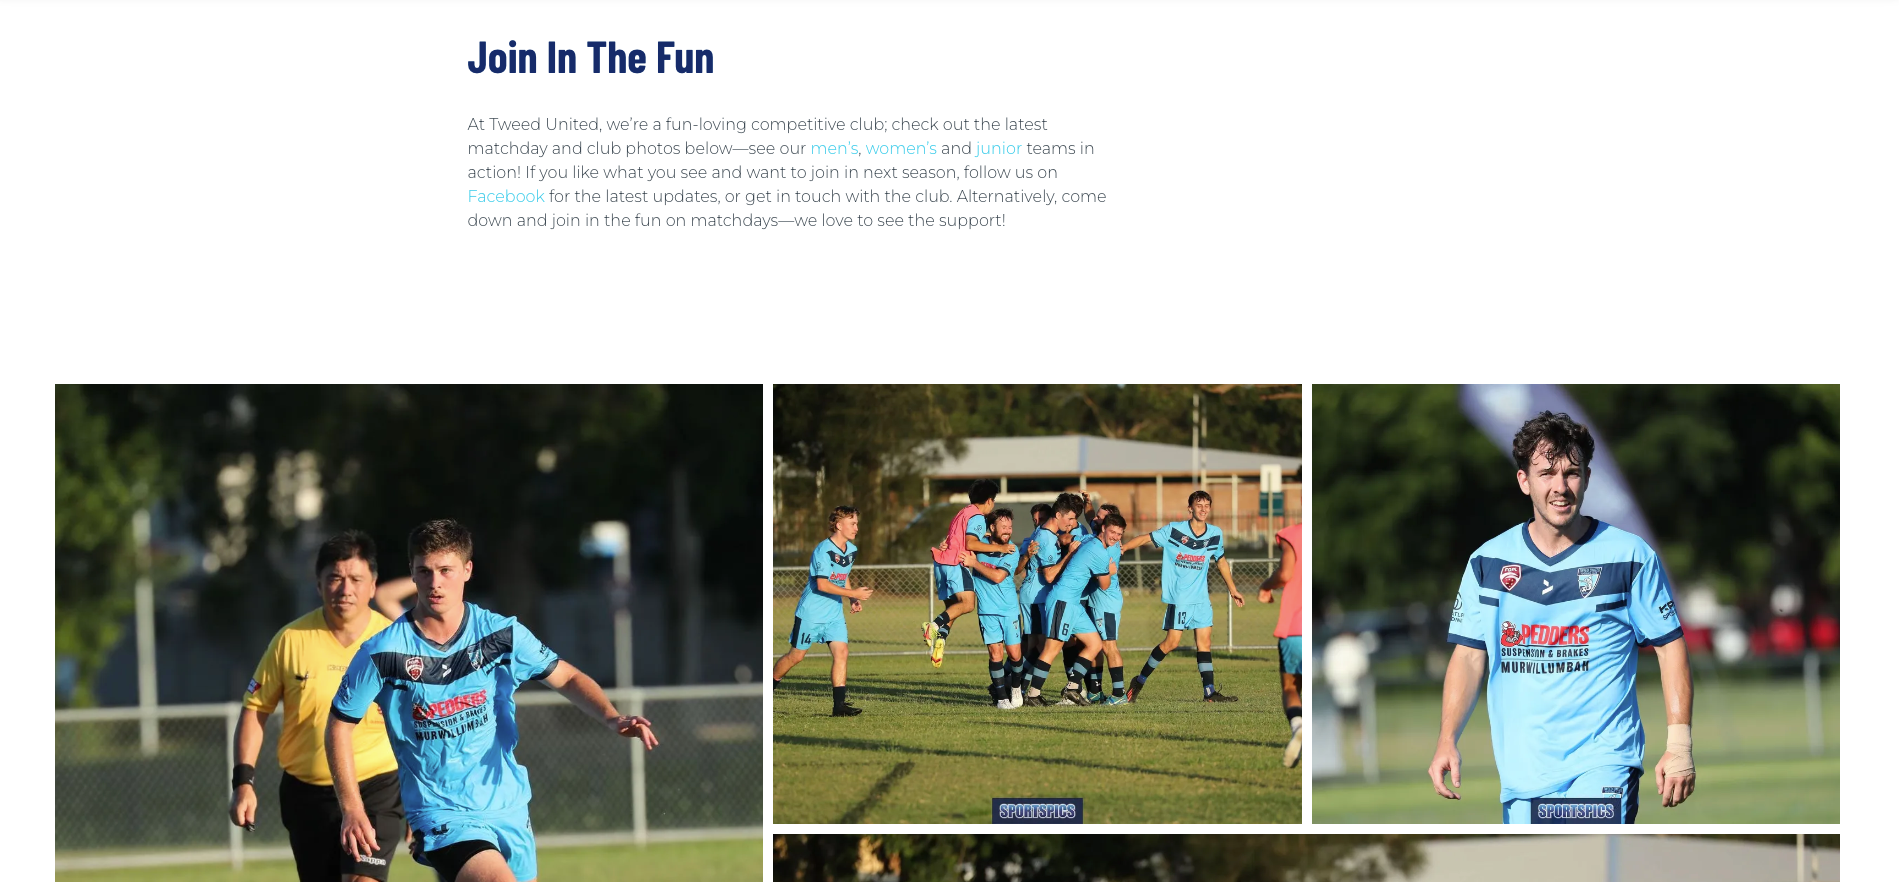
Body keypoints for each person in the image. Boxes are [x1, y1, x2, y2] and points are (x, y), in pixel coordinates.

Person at [327, 519, 658, 882]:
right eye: (424, 571)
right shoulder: (381, 652)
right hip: (440, 812)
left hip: (507, 805)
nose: (435, 582)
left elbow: (567, 677)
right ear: (412, 571)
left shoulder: (501, 635)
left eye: (445, 570)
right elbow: (339, 726)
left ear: (467, 570)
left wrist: (611, 717)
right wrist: (352, 807)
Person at [1427, 412, 1695, 824]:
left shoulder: (1630, 556)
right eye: (1547, 473)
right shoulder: (1487, 562)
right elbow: (1468, 656)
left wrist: (1679, 744)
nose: (1560, 486)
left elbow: (1669, 645)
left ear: (1587, 477)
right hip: (1523, 778)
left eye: (1571, 473)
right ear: (1524, 481)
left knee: (1586, 855)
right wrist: (1447, 739)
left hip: (1604, 764)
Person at [231, 530, 406, 882]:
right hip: (308, 794)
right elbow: (255, 710)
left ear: (373, 585)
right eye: (335, 578)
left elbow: (416, 722)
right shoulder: (290, 641)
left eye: (356, 579)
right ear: (319, 584)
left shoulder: (396, 641)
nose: (345, 589)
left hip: (377, 787)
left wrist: (420, 800)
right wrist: (243, 783)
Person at [1120, 490, 1245, 702]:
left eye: (1207, 505)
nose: (1203, 509)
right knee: (1171, 643)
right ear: (1190, 508)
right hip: (1180, 598)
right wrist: (1123, 548)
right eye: (1199, 505)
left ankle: (1209, 693)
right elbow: (1146, 539)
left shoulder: (1215, 533)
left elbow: (1221, 561)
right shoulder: (1174, 530)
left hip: (1201, 598)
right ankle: (1139, 681)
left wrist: (1232, 589)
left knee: (1205, 643)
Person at [774, 506, 873, 716]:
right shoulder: (823, 550)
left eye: (856, 523)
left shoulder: (852, 550)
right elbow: (822, 584)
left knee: (842, 653)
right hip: (811, 613)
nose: (856, 527)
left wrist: (852, 598)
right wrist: (852, 592)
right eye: (852, 523)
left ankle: (839, 706)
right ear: (839, 525)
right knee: (796, 657)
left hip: (834, 614)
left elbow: (843, 574)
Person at [1023, 512, 1125, 707]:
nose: (1115, 537)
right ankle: (1033, 695)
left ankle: (1072, 688)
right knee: (1052, 647)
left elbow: (1066, 538)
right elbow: (1104, 585)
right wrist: (1111, 571)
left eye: (1119, 534)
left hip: (1074, 603)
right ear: (1103, 528)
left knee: (1095, 644)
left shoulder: (1088, 539)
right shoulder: (1099, 552)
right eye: (1112, 532)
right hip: (1062, 600)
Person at [923, 480, 1016, 667]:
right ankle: (932, 626)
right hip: (955, 563)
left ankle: (941, 638)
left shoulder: (963, 512)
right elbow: (970, 543)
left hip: (942, 562)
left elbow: (955, 538)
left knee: (953, 608)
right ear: (989, 500)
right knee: (967, 604)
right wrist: (1002, 548)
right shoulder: (978, 517)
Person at [963, 508, 1026, 709]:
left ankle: (1015, 687)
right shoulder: (978, 546)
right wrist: (946, 545)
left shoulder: (1012, 550)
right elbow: (960, 547)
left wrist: (974, 564)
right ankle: (1001, 699)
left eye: (1010, 527)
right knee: (995, 654)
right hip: (987, 611)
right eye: (1003, 526)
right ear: (992, 527)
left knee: (1015, 654)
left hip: (1009, 610)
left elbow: (998, 577)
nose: (1008, 530)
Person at [1016, 499, 1080, 679]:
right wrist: (1069, 555)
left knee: (1040, 645)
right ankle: (1016, 685)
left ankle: (1018, 685)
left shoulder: (1049, 535)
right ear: (1058, 515)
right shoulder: (1045, 537)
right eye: (1069, 518)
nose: (1071, 523)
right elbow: (1049, 575)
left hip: (1040, 596)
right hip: (1036, 597)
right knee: (1041, 646)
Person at [1260, 522, 1304, 767]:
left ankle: (1298, 726)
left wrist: (1265, 586)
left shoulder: (1293, 534)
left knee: (1290, 687)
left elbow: (1285, 574)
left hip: (1295, 628)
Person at [1083, 505, 1130, 705]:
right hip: (1096, 601)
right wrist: (1087, 503)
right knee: (1097, 645)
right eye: (1097, 516)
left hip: (1106, 603)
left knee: (1110, 646)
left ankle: (1119, 694)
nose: (1096, 519)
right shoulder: (1101, 538)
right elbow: (1091, 518)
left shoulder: (1109, 546)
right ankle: (1095, 691)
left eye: (1101, 518)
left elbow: (1102, 576)